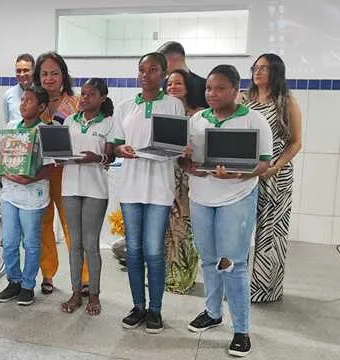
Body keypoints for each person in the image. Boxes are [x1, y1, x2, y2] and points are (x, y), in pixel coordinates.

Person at [181, 65, 272, 357]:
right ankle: (212, 312)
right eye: (209, 88)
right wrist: (186, 163)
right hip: (201, 197)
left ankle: (241, 329)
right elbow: (187, 161)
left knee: (231, 263)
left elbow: (263, 164)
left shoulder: (254, 120)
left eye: (220, 88)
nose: (212, 94)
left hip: (237, 196)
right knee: (208, 259)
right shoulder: (197, 119)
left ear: (236, 90)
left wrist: (236, 175)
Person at [114, 52, 185, 334]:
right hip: (131, 188)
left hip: (159, 189)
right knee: (134, 252)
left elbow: (178, 147)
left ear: (164, 73)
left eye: (153, 69)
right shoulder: (125, 106)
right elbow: (117, 145)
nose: (146, 74)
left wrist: (179, 149)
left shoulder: (173, 105)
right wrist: (122, 150)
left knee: (154, 251)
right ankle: (138, 306)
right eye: (142, 70)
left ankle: (155, 310)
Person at [239, 54, 302, 303]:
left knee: (271, 232)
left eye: (264, 68)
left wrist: (276, 166)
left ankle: (265, 289)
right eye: (256, 67)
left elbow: (296, 142)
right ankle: (236, 285)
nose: (258, 72)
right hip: (245, 173)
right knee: (240, 231)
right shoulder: (243, 98)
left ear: (276, 72)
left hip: (276, 175)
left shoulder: (286, 102)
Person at [60, 78, 117, 316]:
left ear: (102, 98)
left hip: (95, 189)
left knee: (91, 245)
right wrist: (62, 156)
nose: (84, 98)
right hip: (70, 186)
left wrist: (96, 158)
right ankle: (75, 292)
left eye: (90, 95)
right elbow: (60, 150)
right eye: (82, 94)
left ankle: (94, 293)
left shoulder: (110, 123)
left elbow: (111, 157)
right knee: (75, 244)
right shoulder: (70, 120)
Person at [0, 86, 54, 306]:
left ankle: (28, 285)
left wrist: (30, 179)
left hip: (32, 195)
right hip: (10, 192)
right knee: (9, 241)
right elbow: (0, 157)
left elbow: (51, 167)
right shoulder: (11, 127)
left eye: (29, 101)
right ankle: (14, 281)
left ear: (41, 107)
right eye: (22, 100)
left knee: (30, 242)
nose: (23, 104)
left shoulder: (46, 131)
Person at [32, 51, 86, 295]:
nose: (49, 78)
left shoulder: (76, 104)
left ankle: (84, 278)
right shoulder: (33, 103)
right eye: (44, 73)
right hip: (41, 174)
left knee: (72, 225)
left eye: (55, 73)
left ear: (63, 75)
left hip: (68, 174)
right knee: (43, 224)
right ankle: (47, 274)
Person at [163, 68, 205, 294]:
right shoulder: (164, 113)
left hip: (189, 180)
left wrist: (189, 154)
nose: (172, 88)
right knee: (166, 230)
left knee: (184, 229)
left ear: (188, 87)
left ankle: (183, 278)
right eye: (169, 84)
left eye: (177, 84)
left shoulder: (199, 115)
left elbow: (205, 147)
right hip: (165, 177)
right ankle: (167, 276)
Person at [158, 41, 208, 109]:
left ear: (174, 59)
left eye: (162, 63)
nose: (161, 67)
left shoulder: (204, 85)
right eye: (170, 84)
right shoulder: (165, 85)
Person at [3, 53, 34, 124]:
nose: (22, 74)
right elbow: (8, 121)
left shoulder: (41, 93)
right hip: (14, 134)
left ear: (33, 71)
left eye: (26, 70)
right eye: (18, 71)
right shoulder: (8, 94)